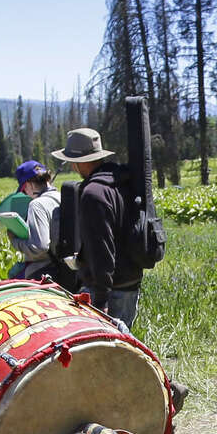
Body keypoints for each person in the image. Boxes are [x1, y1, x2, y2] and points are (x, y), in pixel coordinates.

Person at [50, 128, 143, 327]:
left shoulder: (93, 194)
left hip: (108, 291)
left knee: (104, 354)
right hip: (130, 283)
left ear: (77, 162)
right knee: (123, 350)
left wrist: (101, 301)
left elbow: (102, 249)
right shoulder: (122, 182)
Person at [6, 160, 77, 290]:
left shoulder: (37, 205)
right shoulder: (61, 197)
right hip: (70, 272)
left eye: (23, 190)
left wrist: (15, 241)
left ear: (29, 185)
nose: (25, 193)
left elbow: (39, 247)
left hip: (45, 273)